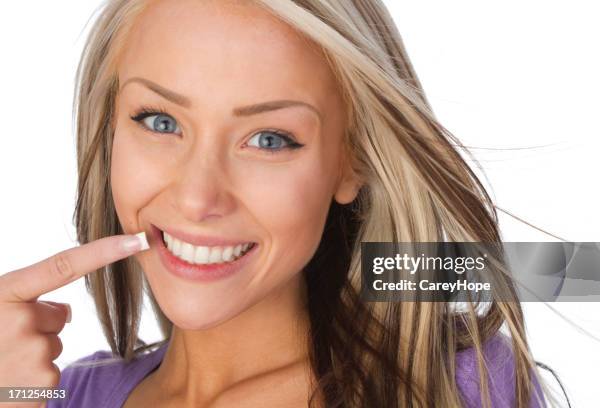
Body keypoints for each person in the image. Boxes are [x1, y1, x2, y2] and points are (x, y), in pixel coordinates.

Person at [0, 0, 553, 406]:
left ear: (351, 161)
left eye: (269, 139)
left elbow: (573, 271)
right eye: (161, 122)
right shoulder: (52, 397)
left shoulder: (459, 387)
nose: (197, 198)